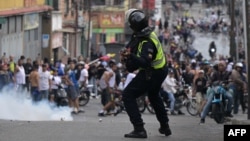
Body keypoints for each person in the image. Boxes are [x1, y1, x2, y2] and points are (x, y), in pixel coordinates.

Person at [120, 9, 171, 138]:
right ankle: (165, 126)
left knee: (127, 95)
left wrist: (130, 56)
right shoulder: (141, 34)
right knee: (154, 95)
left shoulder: (147, 40)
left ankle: (139, 128)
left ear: (133, 26)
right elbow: (130, 48)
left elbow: (144, 62)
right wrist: (126, 55)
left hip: (153, 72)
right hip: (161, 70)